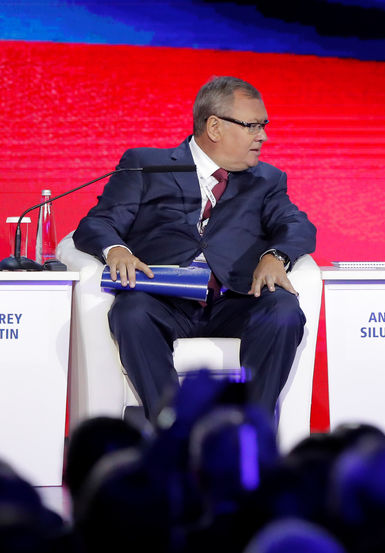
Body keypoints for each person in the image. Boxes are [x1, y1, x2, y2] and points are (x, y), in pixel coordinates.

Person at [74, 76, 316, 423]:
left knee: (283, 309)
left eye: (264, 126)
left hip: (235, 299)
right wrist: (116, 250)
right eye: (253, 126)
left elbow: (298, 226)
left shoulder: (267, 179)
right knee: (130, 313)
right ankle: (173, 432)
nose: (263, 136)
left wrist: (274, 256)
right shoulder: (147, 165)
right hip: (162, 299)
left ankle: (251, 433)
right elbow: (97, 223)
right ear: (214, 127)